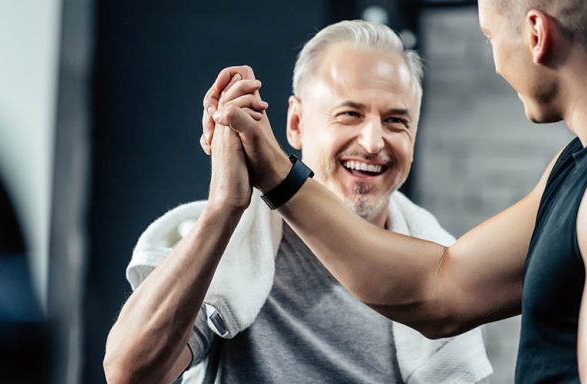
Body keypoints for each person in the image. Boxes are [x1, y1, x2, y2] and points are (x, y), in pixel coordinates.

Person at [203, 1, 587, 382]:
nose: (496, 61)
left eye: (489, 36)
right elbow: (440, 288)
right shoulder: (584, 166)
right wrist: (275, 172)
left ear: (536, 35)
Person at [103, 21, 492, 384]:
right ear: (295, 124)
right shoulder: (232, 251)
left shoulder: (434, 268)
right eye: (349, 114)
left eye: (395, 122)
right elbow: (131, 373)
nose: (374, 143)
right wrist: (224, 206)